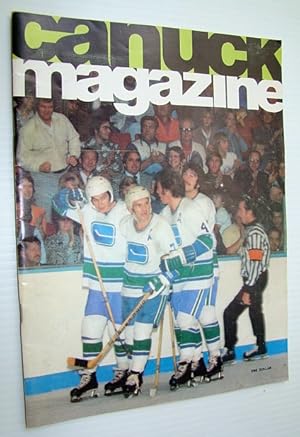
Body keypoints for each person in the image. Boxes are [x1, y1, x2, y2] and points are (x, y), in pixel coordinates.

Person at [52, 176, 130, 401]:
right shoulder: (85, 210)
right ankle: (89, 376)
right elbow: (57, 203)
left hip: (121, 285)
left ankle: (123, 371)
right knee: (90, 330)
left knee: (119, 334)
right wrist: (70, 193)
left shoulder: (125, 211)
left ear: (111, 194)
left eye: (103, 197)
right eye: (94, 199)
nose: (99, 203)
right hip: (97, 284)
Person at [156, 168, 217, 389]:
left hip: (199, 273)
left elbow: (207, 242)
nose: (157, 192)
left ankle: (185, 365)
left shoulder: (190, 210)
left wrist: (180, 257)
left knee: (184, 319)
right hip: (180, 275)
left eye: (159, 189)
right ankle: (195, 363)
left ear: (167, 189)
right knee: (186, 321)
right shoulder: (165, 213)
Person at [119, 185, 178, 396]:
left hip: (154, 289)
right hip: (130, 287)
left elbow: (176, 263)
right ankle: (129, 370)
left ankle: (136, 374)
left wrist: (160, 280)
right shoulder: (125, 225)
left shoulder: (161, 226)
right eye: (138, 205)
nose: (144, 209)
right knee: (127, 334)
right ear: (130, 209)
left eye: (147, 203)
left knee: (142, 331)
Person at [182, 162, 223, 381]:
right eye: (185, 173)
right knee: (189, 317)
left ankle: (215, 359)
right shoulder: (179, 205)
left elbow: (204, 240)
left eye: (192, 174)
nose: (188, 177)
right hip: (187, 270)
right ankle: (197, 360)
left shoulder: (204, 203)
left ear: (198, 179)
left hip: (206, 266)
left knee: (206, 313)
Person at [222, 195, 270, 363]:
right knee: (255, 311)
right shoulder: (250, 231)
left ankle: (229, 350)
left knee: (229, 313)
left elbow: (255, 264)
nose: (238, 212)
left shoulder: (255, 233)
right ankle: (260, 346)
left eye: (241, 209)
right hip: (253, 280)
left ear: (249, 212)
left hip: (254, 280)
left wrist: (248, 289)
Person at [16, 98, 81, 222]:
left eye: (49, 107)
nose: (47, 110)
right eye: (43, 107)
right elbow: (21, 158)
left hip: (65, 174)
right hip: (42, 178)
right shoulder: (28, 129)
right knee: (45, 215)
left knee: (67, 214)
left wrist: (73, 155)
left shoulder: (62, 119)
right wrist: (37, 166)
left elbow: (74, 137)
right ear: (37, 107)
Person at [83, 117, 124, 199]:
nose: (109, 131)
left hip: (113, 184)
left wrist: (108, 172)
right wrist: (107, 163)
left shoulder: (113, 146)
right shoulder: (85, 147)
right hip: (92, 184)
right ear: (96, 130)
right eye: (105, 128)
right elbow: (86, 169)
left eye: (109, 128)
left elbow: (120, 169)